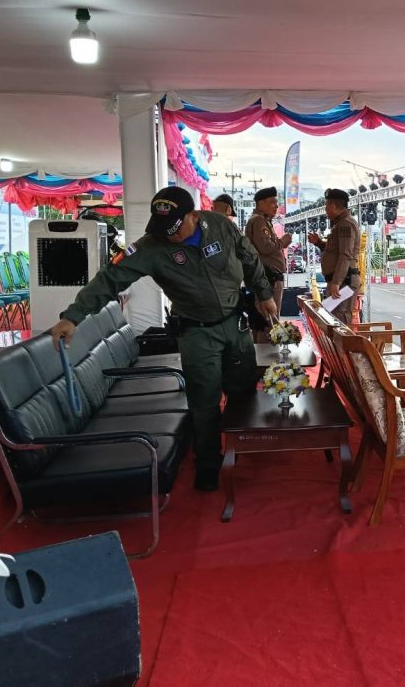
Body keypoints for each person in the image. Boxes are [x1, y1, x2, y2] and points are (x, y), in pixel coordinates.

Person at [48, 186, 278, 492]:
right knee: (204, 400)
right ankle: (208, 462)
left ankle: (246, 448)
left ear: (193, 216)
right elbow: (110, 279)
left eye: (176, 228)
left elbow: (248, 257)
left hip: (235, 324)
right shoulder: (152, 246)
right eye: (164, 229)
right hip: (196, 332)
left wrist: (264, 294)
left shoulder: (220, 225)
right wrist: (73, 316)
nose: (171, 236)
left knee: (244, 388)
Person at [306, 189, 360, 325]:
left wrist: (336, 282)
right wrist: (319, 243)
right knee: (334, 321)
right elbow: (336, 251)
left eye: (326, 206)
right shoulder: (339, 224)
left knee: (340, 322)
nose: (325, 210)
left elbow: (345, 255)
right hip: (340, 280)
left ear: (332, 206)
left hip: (344, 281)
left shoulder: (345, 224)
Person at [245, 187, 291, 335]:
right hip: (268, 277)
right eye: (272, 202)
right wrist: (282, 242)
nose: (276, 206)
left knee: (266, 321)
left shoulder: (263, 220)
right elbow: (265, 247)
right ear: (260, 203)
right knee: (269, 323)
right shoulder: (258, 221)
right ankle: (265, 349)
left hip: (268, 277)